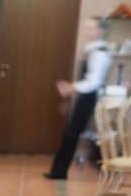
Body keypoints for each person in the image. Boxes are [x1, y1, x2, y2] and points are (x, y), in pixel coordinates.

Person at [44, 16, 112, 180]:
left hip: (90, 98)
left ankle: (60, 171)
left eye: (92, 28)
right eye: (87, 28)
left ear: (101, 30)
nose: (88, 31)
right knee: (71, 134)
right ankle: (58, 171)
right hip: (85, 97)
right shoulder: (91, 50)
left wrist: (71, 87)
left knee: (73, 135)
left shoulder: (100, 53)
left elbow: (93, 82)